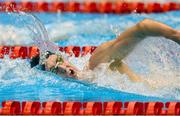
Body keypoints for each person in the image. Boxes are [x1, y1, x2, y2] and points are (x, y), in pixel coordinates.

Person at [30, 19, 180, 82]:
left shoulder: (98, 63)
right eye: (55, 70)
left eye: (59, 61)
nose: (63, 68)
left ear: (64, 57)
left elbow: (144, 26)